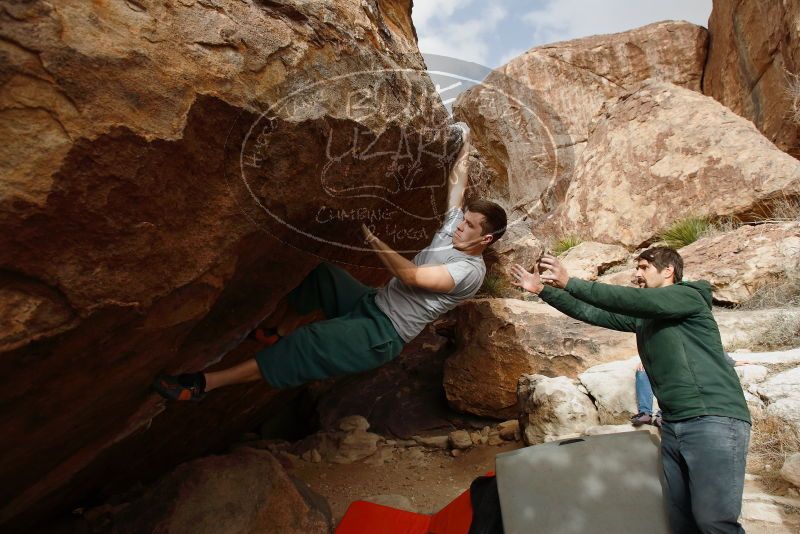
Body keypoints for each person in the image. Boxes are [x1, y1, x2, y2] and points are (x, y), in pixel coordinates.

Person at [153, 123, 507, 401]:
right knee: (323, 275)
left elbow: (414, 277)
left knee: (308, 344)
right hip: (372, 303)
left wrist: (372, 239)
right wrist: (466, 142)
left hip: (382, 333)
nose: (461, 225)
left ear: (485, 239)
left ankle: (202, 385)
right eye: (464, 220)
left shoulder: (468, 272)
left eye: (470, 226)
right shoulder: (455, 229)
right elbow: (455, 186)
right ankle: (280, 330)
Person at [511, 246, 751, 534]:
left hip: (713, 418)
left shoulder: (688, 296)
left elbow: (628, 299)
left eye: (644, 267)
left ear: (668, 271)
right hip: (674, 424)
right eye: (636, 268)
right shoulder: (646, 316)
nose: (637, 274)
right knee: (681, 521)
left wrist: (570, 282)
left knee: (714, 522)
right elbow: (593, 312)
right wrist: (543, 291)